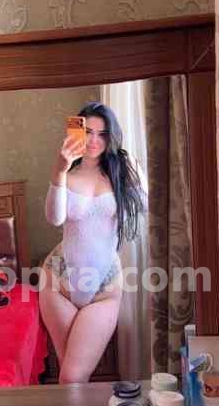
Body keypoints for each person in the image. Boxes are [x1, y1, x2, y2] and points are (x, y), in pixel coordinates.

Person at [39, 101, 146, 384]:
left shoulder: (123, 173)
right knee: (71, 377)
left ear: (112, 137)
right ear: (76, 133)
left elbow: (143, 207)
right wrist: (59, 170)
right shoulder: (67, 174)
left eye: (102, 134)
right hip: (59, 282)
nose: (94, 140)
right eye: (87, 132)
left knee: (72, 376)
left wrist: (134, 172)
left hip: (104, 286)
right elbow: (55, 218)